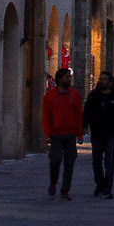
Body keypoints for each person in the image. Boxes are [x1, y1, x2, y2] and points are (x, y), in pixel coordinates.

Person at [41, 64, 83, 199]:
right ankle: (53, 182)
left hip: (70, 134)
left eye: (69, 77)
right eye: (66, 77)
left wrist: (80, 134)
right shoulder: (50, 96)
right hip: (56, 134)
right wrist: (47, 134)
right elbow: (46, 116)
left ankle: (65, 190)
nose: (69, 80)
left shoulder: (75, 96)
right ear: (59, 79)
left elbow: (78, 116)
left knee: (70, 163)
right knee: (55, 160)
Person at [84, 68, 114, 199]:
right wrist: (84, 126)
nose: (101, 81)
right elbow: (87, 112)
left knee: (109, 162)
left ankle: (107, 188)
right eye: (100, 79)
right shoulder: (93, 96)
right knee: (96, 161)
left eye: (104, 79)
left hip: (111, 134)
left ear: (110, 83)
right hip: (97, 133)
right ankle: (100, 183)